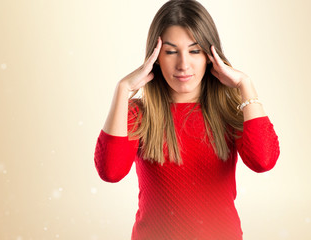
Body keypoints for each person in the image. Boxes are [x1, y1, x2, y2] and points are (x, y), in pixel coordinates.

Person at [94, 0, 280, 239]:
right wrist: (122, 89)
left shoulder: (230, 112)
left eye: (194, 51)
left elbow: (263, 161)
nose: (183, 64)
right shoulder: (138, 115)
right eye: (171, 52)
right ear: (155, 57)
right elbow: (111, 172)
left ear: (210, 57)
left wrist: (246, 85)